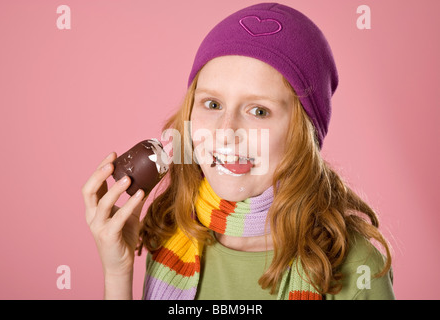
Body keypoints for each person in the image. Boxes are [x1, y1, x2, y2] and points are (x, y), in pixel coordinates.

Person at [82, 3, 395, 300]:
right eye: (213, 104)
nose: (225, 132)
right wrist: (117, 273)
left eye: (259, 111)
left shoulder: (355, 268)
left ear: (304, 135)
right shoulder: (171, 228)